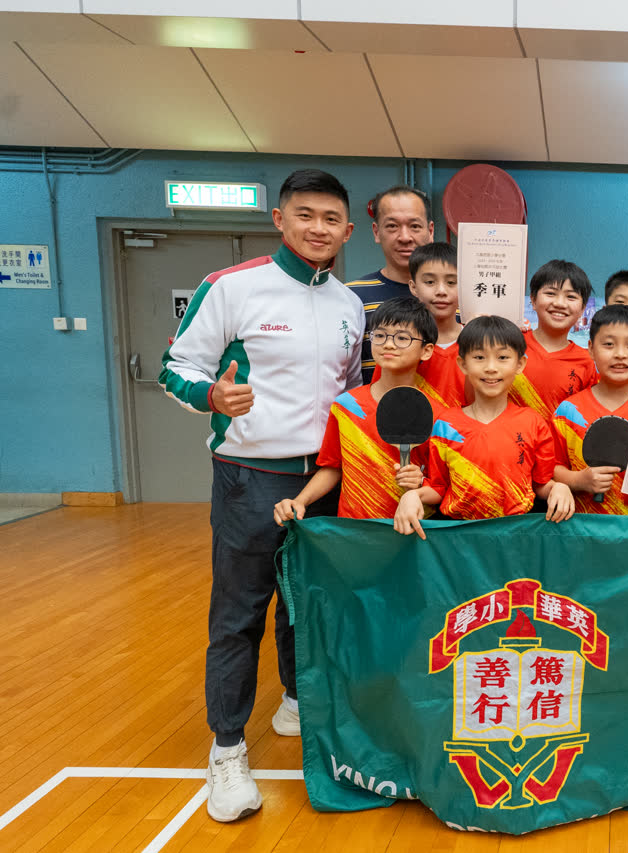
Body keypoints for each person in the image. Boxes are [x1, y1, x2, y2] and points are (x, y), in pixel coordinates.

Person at [157, 169, 363, 823]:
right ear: (279, 219)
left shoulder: (350, 304)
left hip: (326, 481)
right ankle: (226, 751)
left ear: (347, 230)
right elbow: (175, 367)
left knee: (310, 605)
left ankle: (298, 701)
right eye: (304, 214)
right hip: (249, 474)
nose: (317, 228)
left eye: (330, 219)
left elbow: (351, 392)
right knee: (238, 613)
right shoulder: (232, 286)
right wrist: (210, 396)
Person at [393, 316, 575, 535]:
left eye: (502, 357)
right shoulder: (446, 425)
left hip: (517, 534)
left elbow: (541, 484)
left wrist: (559, 487)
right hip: (459, 535)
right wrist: (413, 495)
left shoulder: (533, 423)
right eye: (479, 357)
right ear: (463, 364)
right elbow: (439, 488)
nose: (490, 368)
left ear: (520, 364)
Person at [271, 296, 435, 525]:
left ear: (426, 350)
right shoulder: (346, 405)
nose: (388, 344)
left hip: (415, 528)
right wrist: (300, 501)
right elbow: (333, 467)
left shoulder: (438, 413)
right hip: (354, 529)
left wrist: (421, 482)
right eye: (380, 335)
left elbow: (443, 483)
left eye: (402, 338)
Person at [551, 304, 628, 515]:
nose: (620, 354)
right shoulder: (568, 411)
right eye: (608, 344)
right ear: (591, 349)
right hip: (586, 529)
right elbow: (552, 468)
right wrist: (578, 480)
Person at [346, 186, 435, 382]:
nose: (404, 237)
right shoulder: (350, 297)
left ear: (430, 231)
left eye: (415, 226)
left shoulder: (458, 299)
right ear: (376, 232)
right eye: (392, 226)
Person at [509, 259, 598, 419]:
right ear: (533, 300)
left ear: (582, 309)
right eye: (550, 293)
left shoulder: (586, 362)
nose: (560, 303)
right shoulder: (509, 345)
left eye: (571, 297)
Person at [406, 242, 467, 409]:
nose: (441, 291)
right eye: (430, 282)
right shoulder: (398, 344)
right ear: (413, 287)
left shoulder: (478, 344)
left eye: (451, 282)